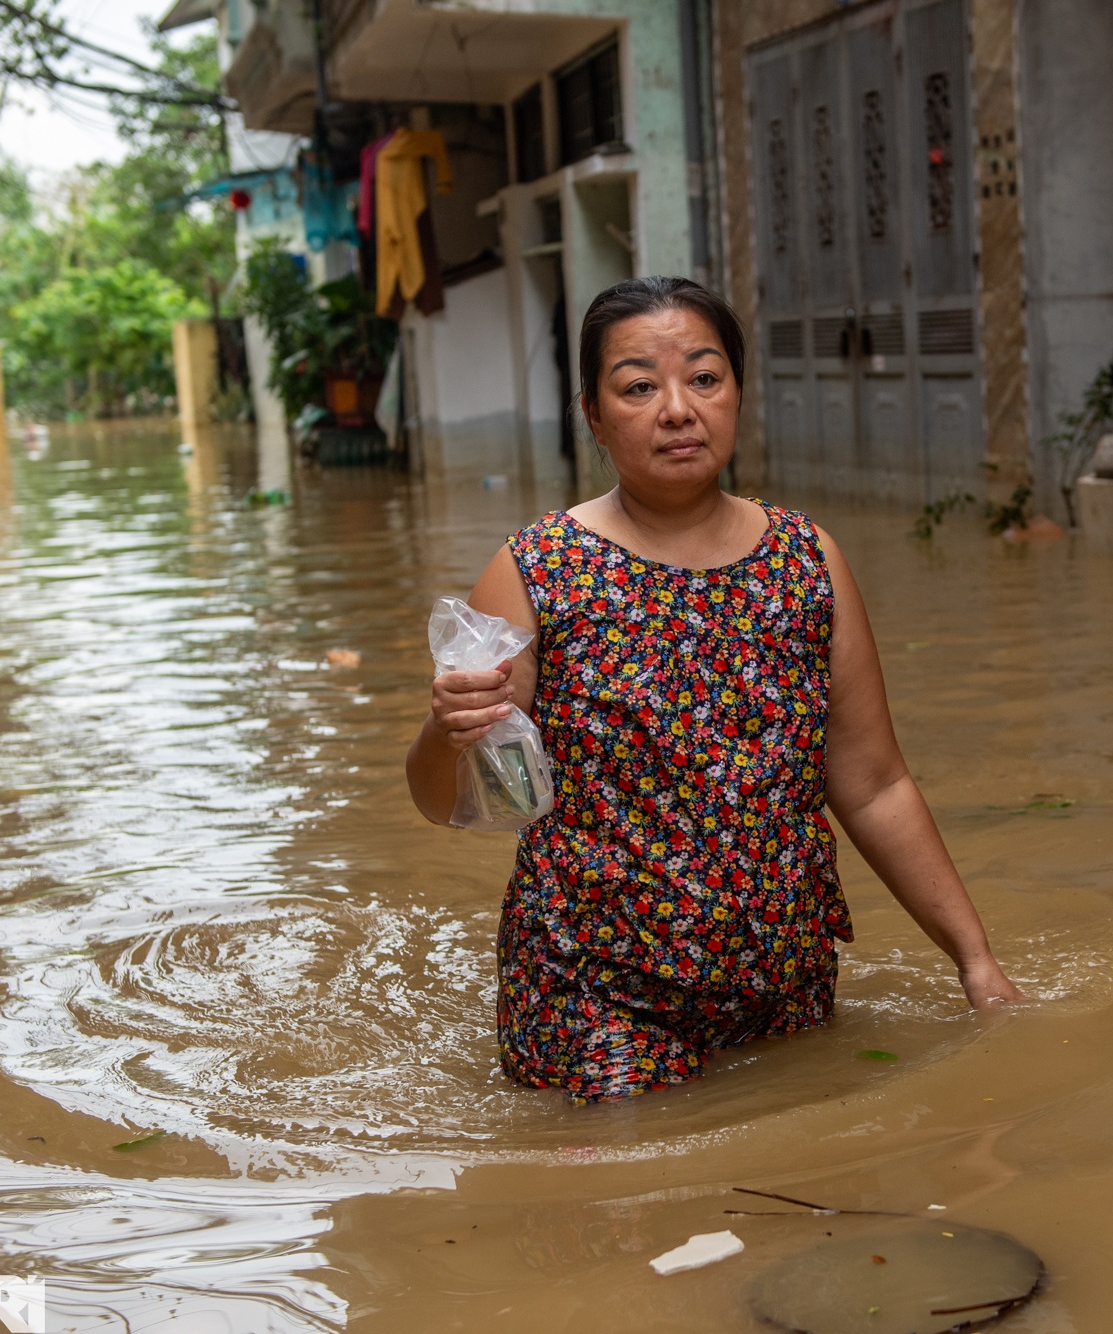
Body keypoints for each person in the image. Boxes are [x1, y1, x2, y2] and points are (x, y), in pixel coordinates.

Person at [405, 276, 1022, 1102]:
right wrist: (444, 733)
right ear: (592, 412)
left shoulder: (808, 562)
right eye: (638, 387)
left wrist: (975, 961)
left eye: (704, 377)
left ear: (736, 391)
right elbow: (455, 803)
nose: (677, 409)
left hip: (784, 985)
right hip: (597, 993)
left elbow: (873, 784)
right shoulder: (536, 571)